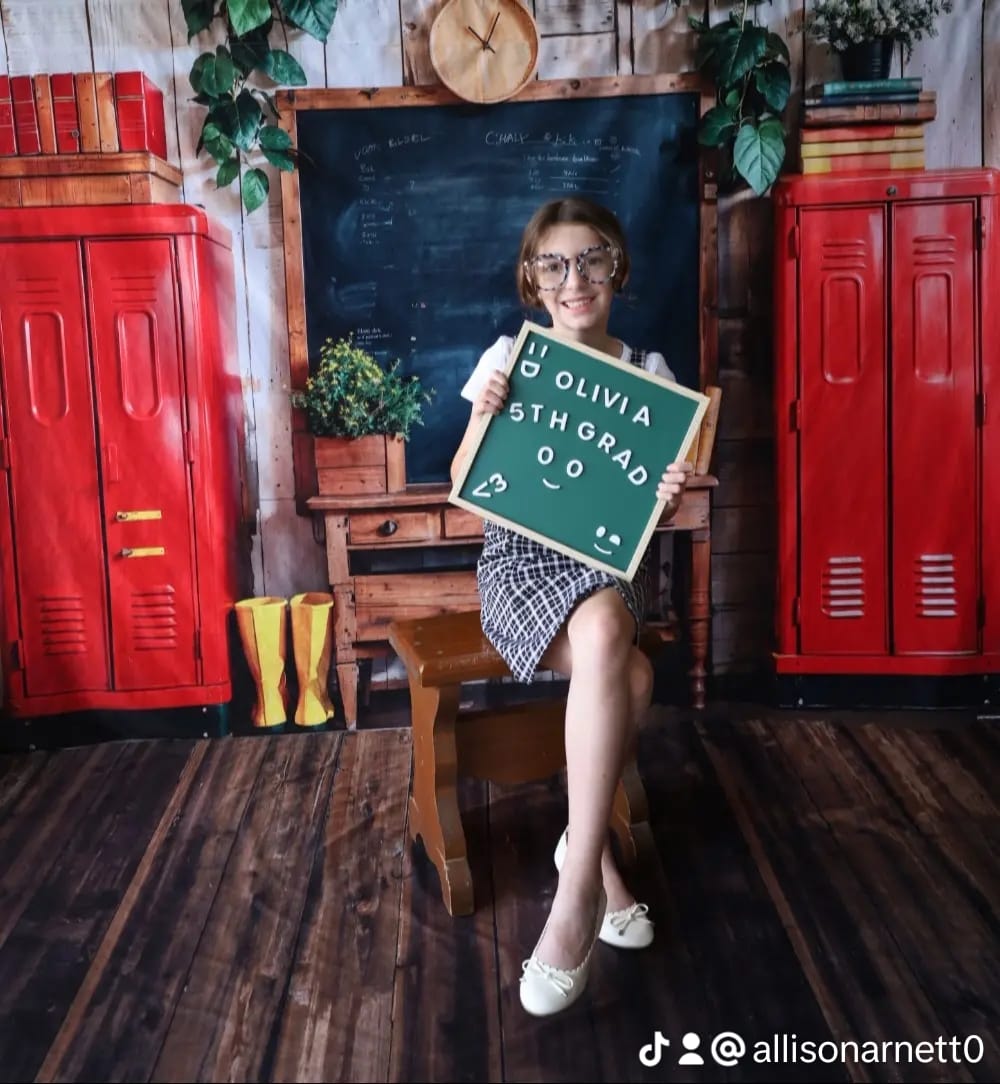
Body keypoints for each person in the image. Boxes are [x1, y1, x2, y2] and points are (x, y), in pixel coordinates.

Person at [450, 196, 692, 1017]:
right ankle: (592, 868)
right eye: (553, 263)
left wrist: (667, 491)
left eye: (591, 259)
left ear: (616, 267)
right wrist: (485, 416)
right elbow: (465, 487)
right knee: (631, 673)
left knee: (611, 629)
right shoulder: (508, 358)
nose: (573, 279)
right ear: (532, 277)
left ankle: (575, 880)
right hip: (519, 565)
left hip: (604, 569)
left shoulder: (650, 373)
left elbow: (649, 512)